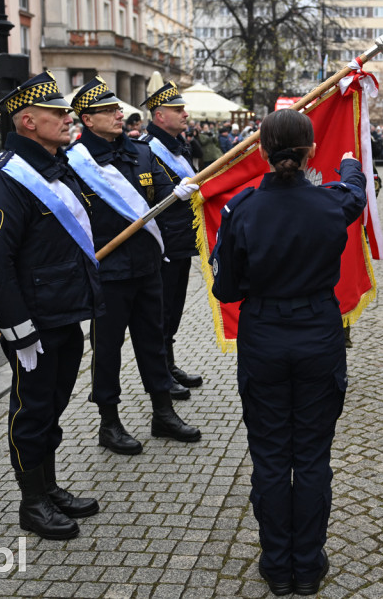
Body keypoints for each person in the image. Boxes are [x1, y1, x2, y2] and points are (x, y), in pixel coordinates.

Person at [211, 109, 366, 597]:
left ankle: (278, 565)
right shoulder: (331, 203)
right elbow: (356, 194)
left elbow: (226, 289)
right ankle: (309, 562)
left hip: (264, 338)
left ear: (261, 151)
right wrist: (349, 164)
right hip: (319, 334)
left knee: (273, 456)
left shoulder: (242, 208)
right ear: (309, 154)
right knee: (313, 454)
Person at [0, 71, 104, 540]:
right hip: (35, 322)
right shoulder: (4, 180)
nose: (69, 119)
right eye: (58, 113)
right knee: (31, 412)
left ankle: (48, 487)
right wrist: (18, 329)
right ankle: (32, 503)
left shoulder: (54, 164)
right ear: (28, 120)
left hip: (65, 312)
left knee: (51, 408)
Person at [66, 77, 201, 455]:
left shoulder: (140, 153)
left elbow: (160, 194)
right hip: (108, 271)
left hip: (146, 265)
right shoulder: (76, 162)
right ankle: (109, 422)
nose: (118, 113)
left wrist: (177, 193)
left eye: (117, 108)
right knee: (107, 349)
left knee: (152, 341)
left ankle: (163, 412)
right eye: (108, 110)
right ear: (87, 120)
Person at [139, 82, 204, 391]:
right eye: (179, 110)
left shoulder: (179, 145)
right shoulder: (146, 148)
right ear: (160, 115)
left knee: (174, 308)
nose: (185, 115)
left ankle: (169, 364)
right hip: (162, 244)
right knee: (160, 313)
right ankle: (160, 373)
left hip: (181, 242)